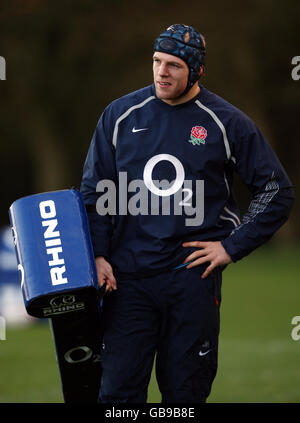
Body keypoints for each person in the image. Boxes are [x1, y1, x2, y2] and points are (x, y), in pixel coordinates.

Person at [80, 24, 294, 403]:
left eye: (174, 65)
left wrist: (230, 246)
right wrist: (96, 255)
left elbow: (275, 190)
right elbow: (95, 192)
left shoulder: (226, 122)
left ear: (196, 72)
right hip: (127, 283)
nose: (162, 72)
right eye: (157, 61)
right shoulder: (119, 115)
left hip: (192, 282)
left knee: (186, 396)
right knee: (117, 396)